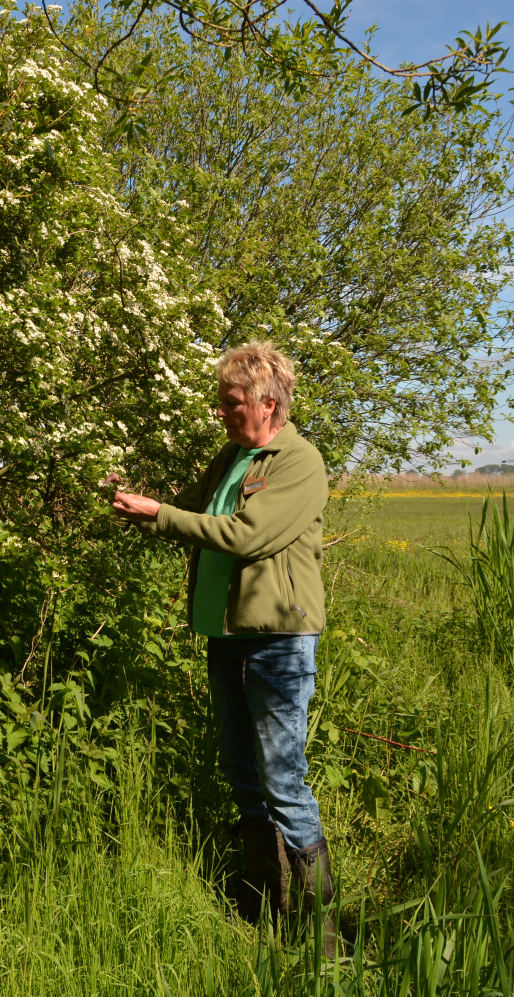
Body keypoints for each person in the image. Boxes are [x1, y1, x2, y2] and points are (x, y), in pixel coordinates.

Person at [111, 339, 336, 955]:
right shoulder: (233, 455)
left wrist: (159, 515)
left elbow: (244, 537)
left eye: (232, 403)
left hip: (277, 641)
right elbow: (195, 514)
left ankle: (321, 932)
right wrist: (140, 503)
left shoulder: (299, 461)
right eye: (222, 402)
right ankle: (259, 906)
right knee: (243, 774)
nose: (223, 412)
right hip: (227, 637)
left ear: (269, 402)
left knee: (283, 777)